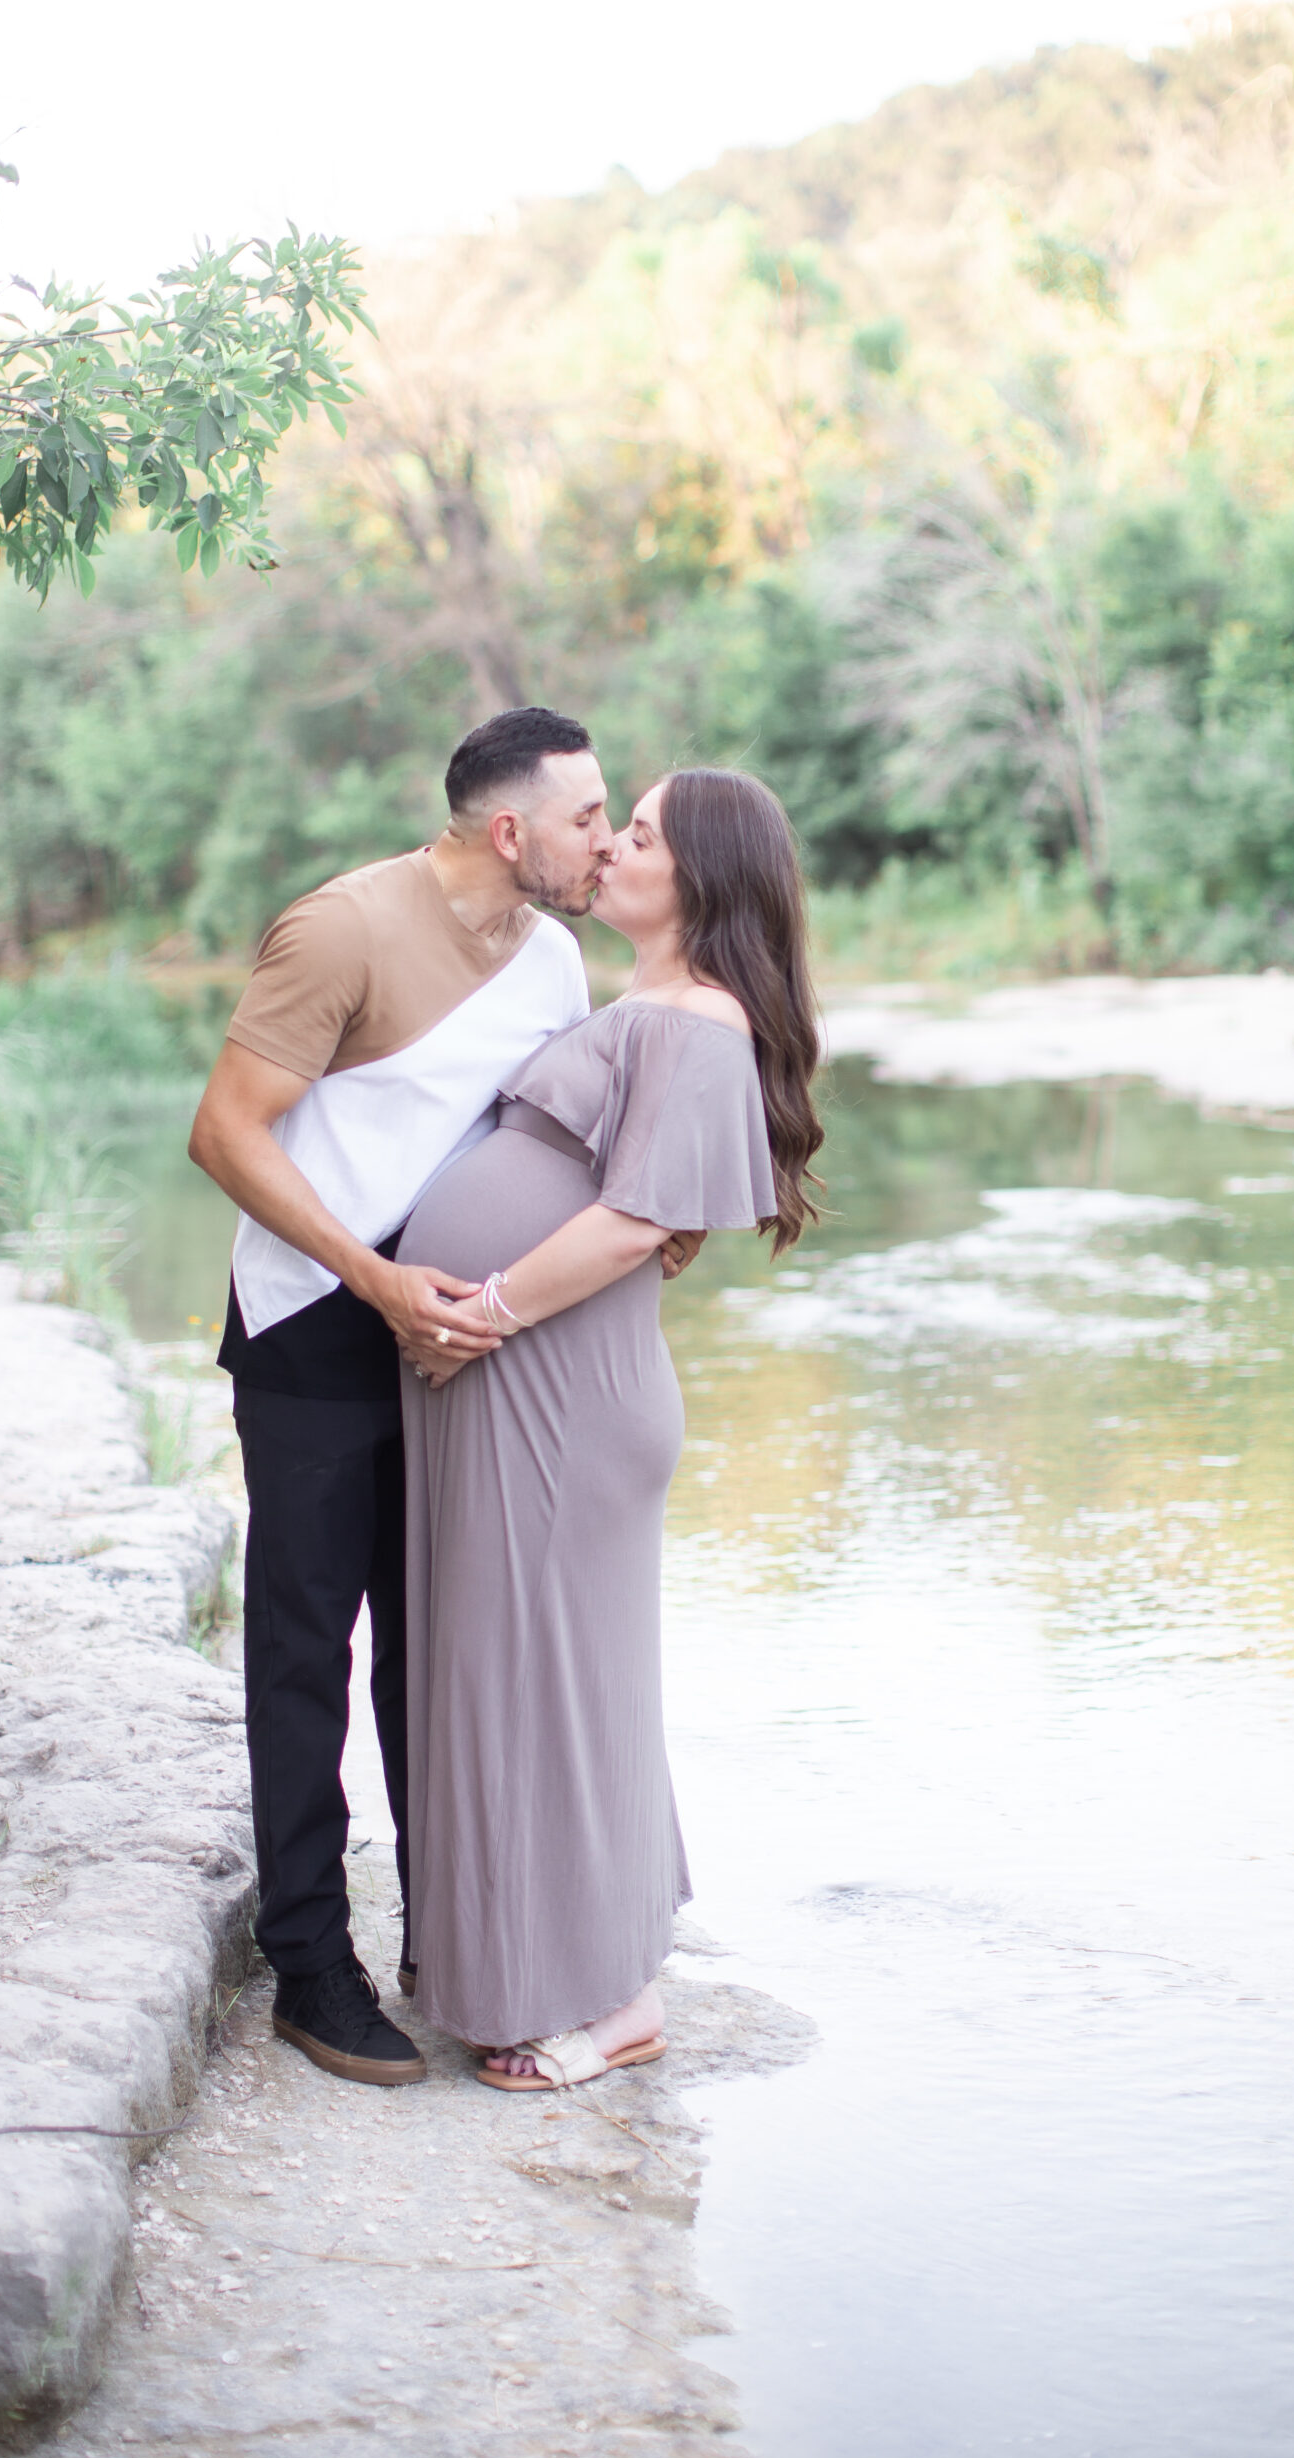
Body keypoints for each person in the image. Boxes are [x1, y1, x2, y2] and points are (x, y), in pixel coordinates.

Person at [189, 706, 648, 2088]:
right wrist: (371, 1283)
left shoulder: (556, 957)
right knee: (306, 1646)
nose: (605, 838)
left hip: (454, 1340)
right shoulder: (340, 929)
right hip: (315, 1329)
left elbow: (547, 1141)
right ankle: (310, 1964)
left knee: (441, 1649)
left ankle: (455, 1947)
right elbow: (224, 1130)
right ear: (510, 831)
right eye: (585, 817)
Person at [398, 766, 825, 2090]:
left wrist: (490, 1306)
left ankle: (617, 1999)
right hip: (525, 1379)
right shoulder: (641, 998)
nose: (613, 848)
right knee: (508, 1683)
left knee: (560, 1697)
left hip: (559, 1398)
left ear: (698, 874)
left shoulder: (697, 1018)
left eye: (636, 834)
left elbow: (639, 1219)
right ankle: (519, 1964)